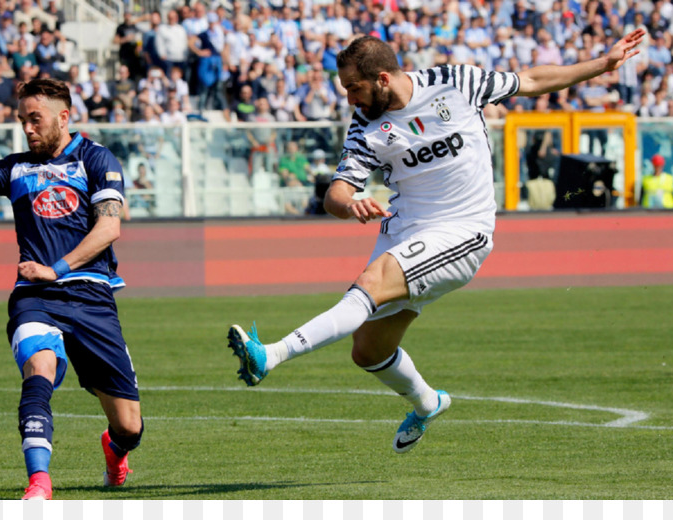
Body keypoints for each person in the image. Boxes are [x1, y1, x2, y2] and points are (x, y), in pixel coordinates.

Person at [227, 30, 646, 453]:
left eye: (354, 88)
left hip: (464, 229)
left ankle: (271, 355)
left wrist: (603, 65)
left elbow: (531, 81)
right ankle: (428, 404)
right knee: (369, 350)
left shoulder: (456, 82)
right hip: (407, 229)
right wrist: (351, 202)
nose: (350, 99)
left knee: (369, 285)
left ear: (384, 78)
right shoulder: (365, 126)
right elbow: (335, 192)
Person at [0, 79, 144, 499]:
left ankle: (115, 450)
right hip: (35, 295)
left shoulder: (95, 159)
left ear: (64, 117)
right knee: (40, 368)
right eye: (22, 120)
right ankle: (39, 482)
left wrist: (58, 267)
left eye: (36, 119)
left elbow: (109, 226)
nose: (28, 129)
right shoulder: (15, 168)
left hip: (90, 295)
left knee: (129, 425)